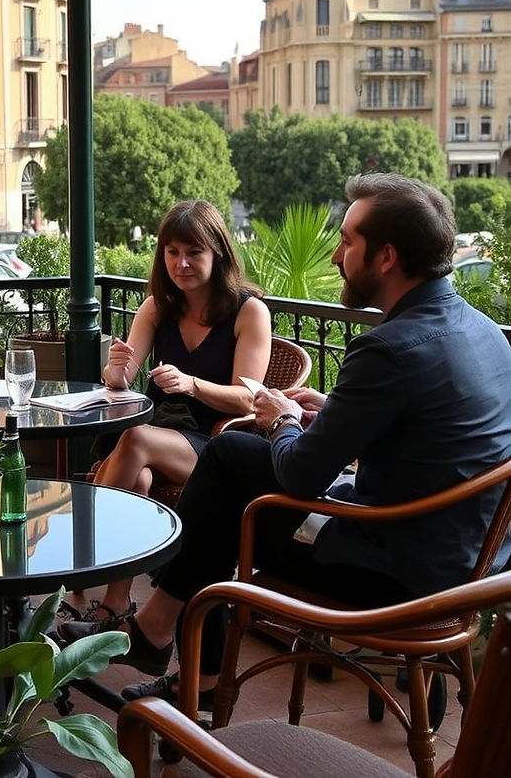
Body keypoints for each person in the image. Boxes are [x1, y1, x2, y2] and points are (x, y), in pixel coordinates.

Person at [61, 174, 511, 709]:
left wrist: (280, 418)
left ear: (386, 257)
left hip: (389, 576)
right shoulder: (483, 329)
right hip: (468, 567)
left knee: (225, 479)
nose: (336, 258)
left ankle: (161, 631)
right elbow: (430, 438)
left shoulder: (388, 348)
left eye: (347, 242)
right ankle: (179, 656)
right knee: (226, 470)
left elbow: (299, 475)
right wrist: (323, 413)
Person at [84, 200, 271, 623]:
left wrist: (191, 384)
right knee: (141, 477)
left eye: (194, 252)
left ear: (218, 252)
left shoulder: (248, 311)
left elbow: (249, 399)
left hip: (215, 444)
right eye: (172, 252)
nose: (181, 263)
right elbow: (122, 378)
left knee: (135, 441)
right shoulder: (157, 307)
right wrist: (115, 372)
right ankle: (117, 602)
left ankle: (87, 547)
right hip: (156, 439)